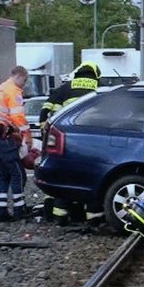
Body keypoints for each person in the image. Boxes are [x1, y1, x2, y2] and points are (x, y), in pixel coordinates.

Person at [39, 61, 103, 225]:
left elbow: (46, 110)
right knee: (90, 177)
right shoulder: (99, 88)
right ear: (95, 75)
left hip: (63, 138)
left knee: (60, 176)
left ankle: (57, 215)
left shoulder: (65, 87)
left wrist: (45, 134)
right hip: (91, 141)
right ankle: (91, 217)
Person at [0, 66, 33, 222]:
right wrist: (27, 135)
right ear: (19, 76)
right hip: (2, 135)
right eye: (24, 81)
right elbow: (18, 117)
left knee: (2, 174)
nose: (24, 85)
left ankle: (0, 210)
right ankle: (19, 209)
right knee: (18, 173)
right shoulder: (13, 91)